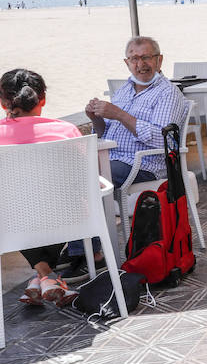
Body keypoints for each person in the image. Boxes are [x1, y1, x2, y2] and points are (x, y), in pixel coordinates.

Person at [0, 68, 87, 307]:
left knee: (15, 210)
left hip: (13, 223)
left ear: (2, 102)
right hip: (70, 219)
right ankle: (46, 278)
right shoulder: (67, 131)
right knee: (46, 208)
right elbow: (84, 179)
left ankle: (43, 274)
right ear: (43, 99)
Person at [86, 35, 185, 187]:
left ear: (159, 60)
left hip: (143, 164)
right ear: (127, 63)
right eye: (134, 59)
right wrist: (95, 119)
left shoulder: (168, 92)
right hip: (111, 159)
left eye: (146, 57)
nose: (141, 64)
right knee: (70, 170)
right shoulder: (124, 90)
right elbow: (104, 134)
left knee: (86, 177)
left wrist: (119, 114)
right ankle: (99, 211)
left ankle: (102, 211)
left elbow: (163, 139)